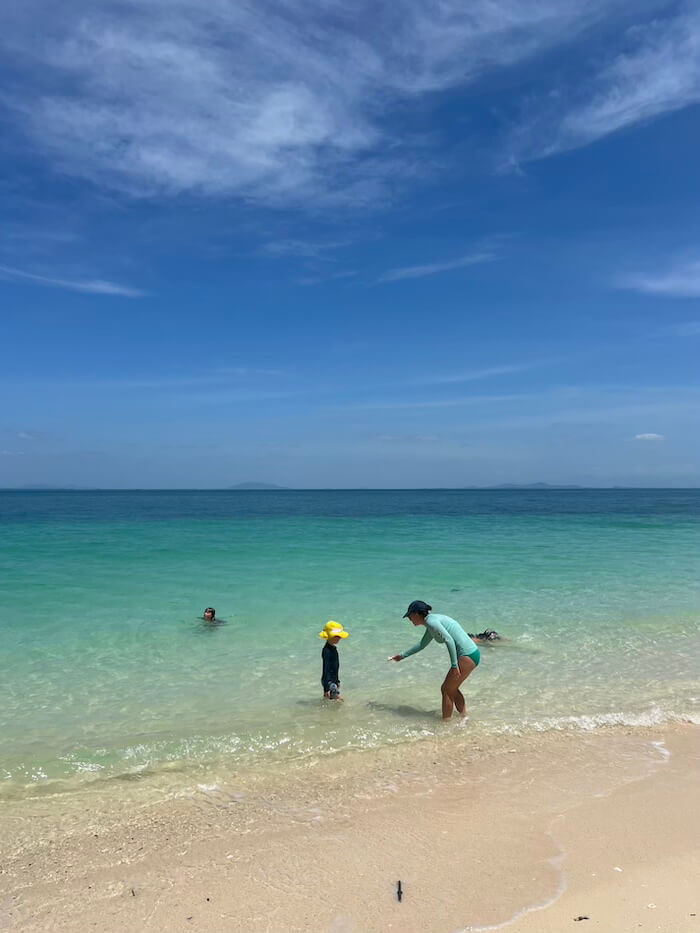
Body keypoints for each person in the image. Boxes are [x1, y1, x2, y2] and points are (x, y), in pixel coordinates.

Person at [389, 600, 480, 720]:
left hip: (467, 656)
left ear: (416, 613)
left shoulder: (431, 622)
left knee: (446, 689)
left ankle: (446, 724)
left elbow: (449, 640)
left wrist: (454, 665)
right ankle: (464, 717)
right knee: (451, 688)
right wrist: (402, 656)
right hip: (473, 653)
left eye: (410, 616)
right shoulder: (431, 622)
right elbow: (422, 644)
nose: (409, 619)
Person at [319, 621, 349, 700]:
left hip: (332, 680)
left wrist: (337, 680)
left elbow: (335, 667)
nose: (340, 638)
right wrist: (327, 687)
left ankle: (324, 710)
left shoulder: (333, 649)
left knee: (327, 700)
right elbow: (326, 669)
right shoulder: (327, 651)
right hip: (328, 681)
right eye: (338, 636)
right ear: (331, 636)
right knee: (340, 700)